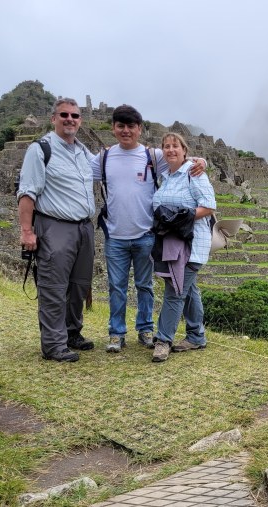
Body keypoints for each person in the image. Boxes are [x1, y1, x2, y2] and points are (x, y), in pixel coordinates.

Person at [91, 105, 205, 353]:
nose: (125, 131)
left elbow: (182, 159)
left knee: (145, 286)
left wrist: (201, 161)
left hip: (146, 235)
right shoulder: (104, 158)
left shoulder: (153, 156)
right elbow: (78, 173)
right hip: (115, 236)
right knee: (116, 287)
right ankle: (116, 333)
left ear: (139, 129)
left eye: (131, 126)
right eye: (120, 126)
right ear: (113, 128)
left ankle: (145, 329)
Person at [17, 98, 96, 363]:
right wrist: (27, 232)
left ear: (80, 121)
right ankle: (53, 344)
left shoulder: (84, 152)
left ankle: (72, 333)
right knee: (53, 285)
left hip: (84, 228)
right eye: (64, 115)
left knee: (79, 285)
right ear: (54, 118)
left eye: (75, 115)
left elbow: (117, 163)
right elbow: (27, 192)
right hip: (55, 226)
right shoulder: (40, 149)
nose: (70, 119)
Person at [150, 132, 216, 362]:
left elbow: (209, 206)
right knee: (189, 290)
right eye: (166, 146)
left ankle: (163, 340)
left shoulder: (194, 173)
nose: (170, 150)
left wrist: (179, 218)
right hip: (172, 242)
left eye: (175, 146)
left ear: (184, 150)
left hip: (192, 244)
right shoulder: (166, 176)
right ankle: (196, 336)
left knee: (175, 291)